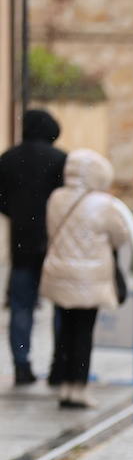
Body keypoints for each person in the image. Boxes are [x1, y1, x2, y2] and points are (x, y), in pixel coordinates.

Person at [40, 149, 133, 409]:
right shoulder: (102, 203)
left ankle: (63, 385)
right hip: (89, 277)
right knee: (83, 333)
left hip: (60, 273)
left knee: (65, 330)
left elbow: (50, 229)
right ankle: (78, 388)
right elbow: (120, 236)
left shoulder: (56, 197)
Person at [0, 109, 68, 386]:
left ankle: (21, 365)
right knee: (61, 306)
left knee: (21, 307)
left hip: (21, 243)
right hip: (53, 243)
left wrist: (18, 213)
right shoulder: (60, 160)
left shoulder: (8, 159)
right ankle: (58, 366)